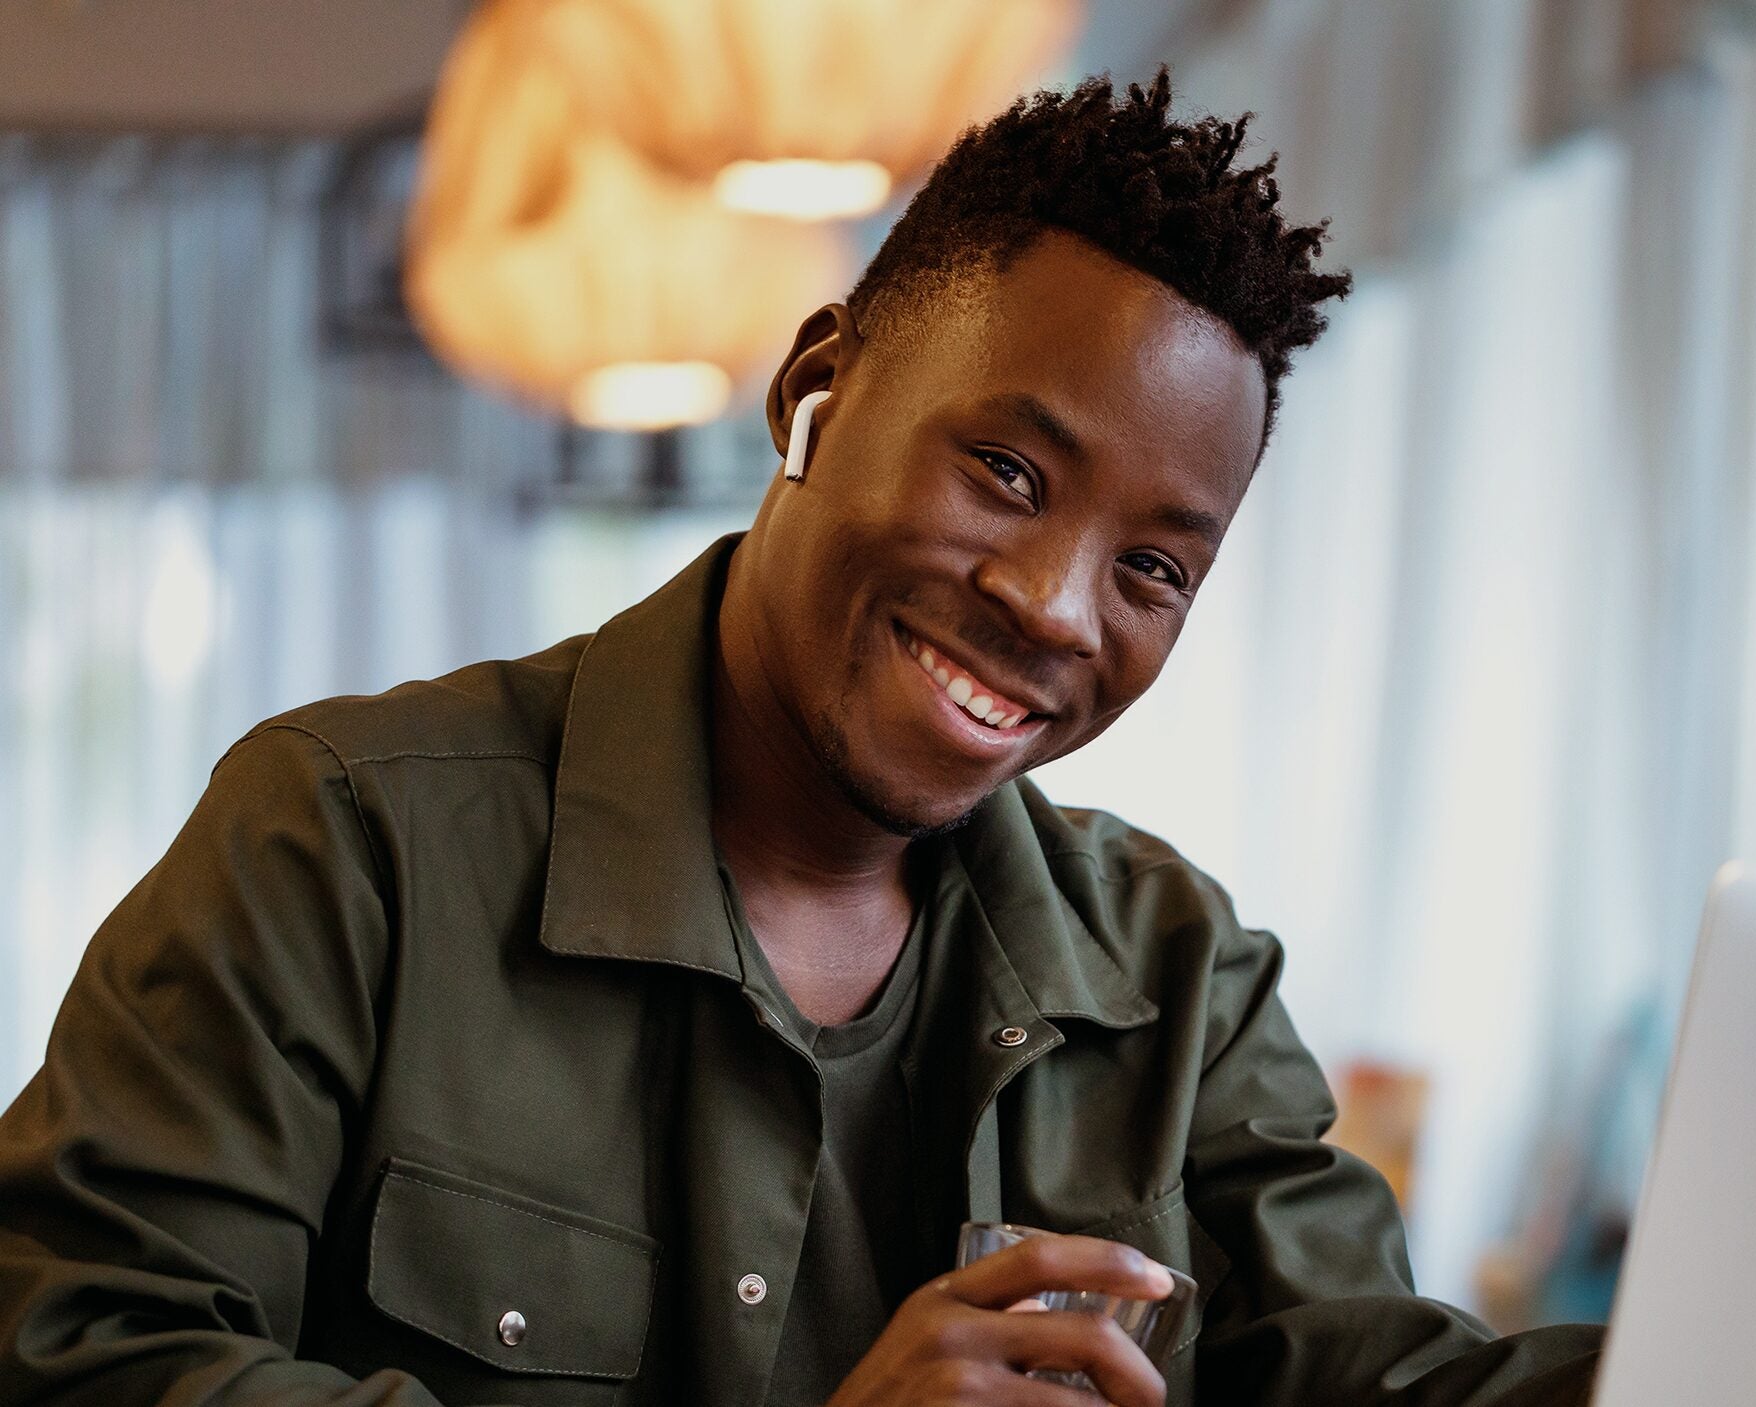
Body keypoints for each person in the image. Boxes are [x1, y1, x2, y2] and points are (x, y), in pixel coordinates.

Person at [0, 74, 1603, 1407]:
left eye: (1153, 570)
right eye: (1009, 475)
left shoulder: (1181, 974)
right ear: (815, 390)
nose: (1056, 609)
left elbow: (1379, 1380)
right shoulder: (348, 842)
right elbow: (87, 1357)